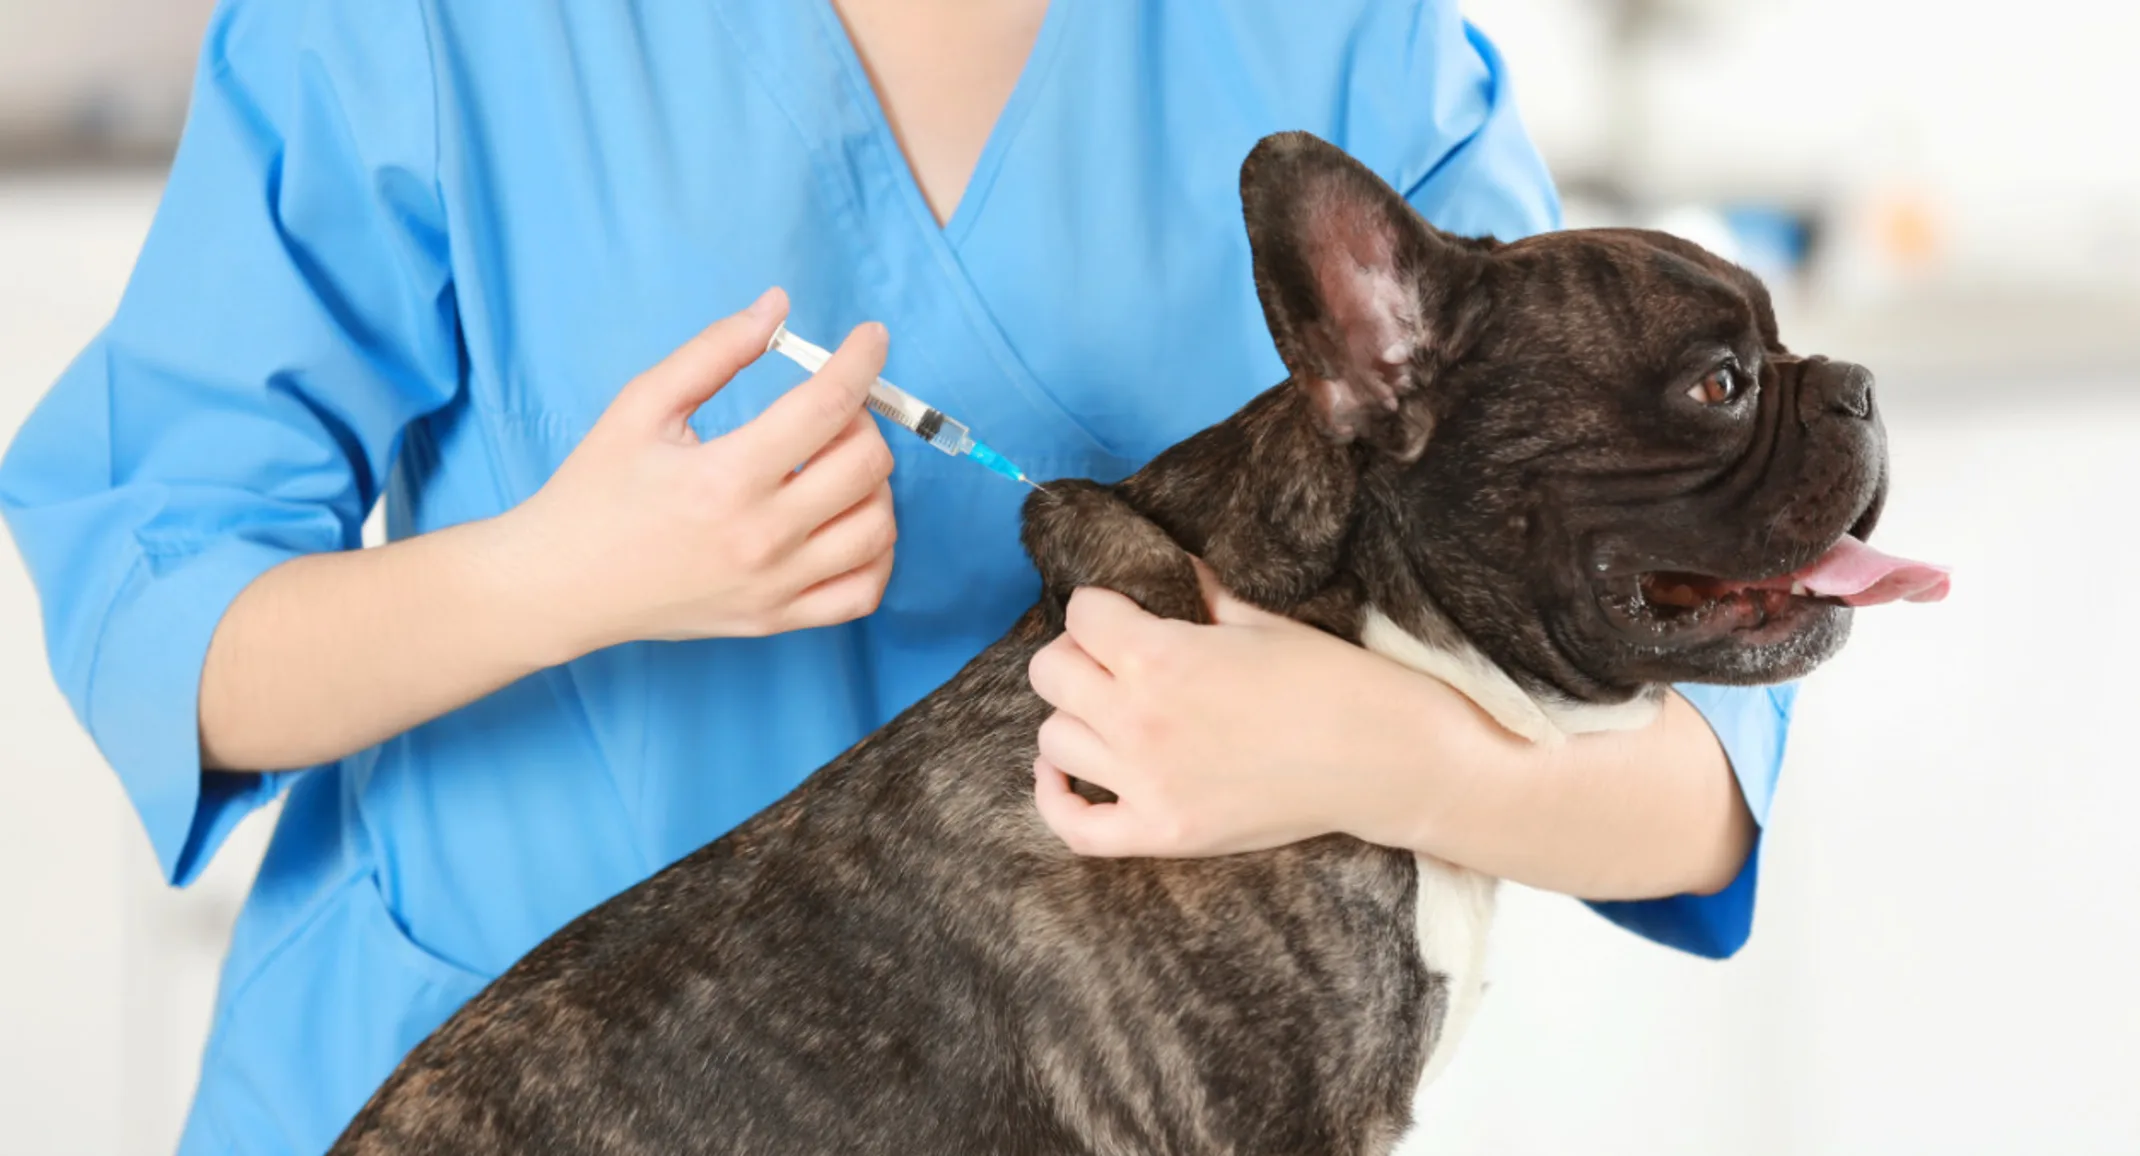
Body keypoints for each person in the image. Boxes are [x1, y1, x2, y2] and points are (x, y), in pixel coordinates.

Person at [0, 2, 1793, 1154]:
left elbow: (1702, 774)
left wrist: (1379, 757)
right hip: (499, 1091)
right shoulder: (429, 29)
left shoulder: (1338, 43)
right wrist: (560, 578)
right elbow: (158, 616)